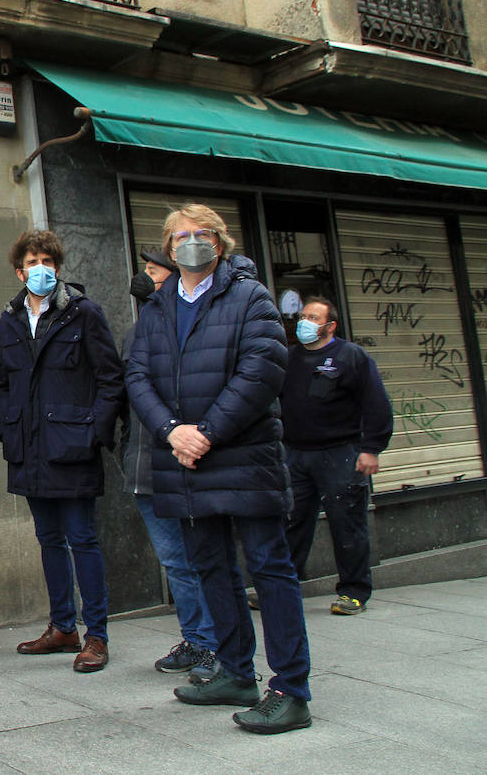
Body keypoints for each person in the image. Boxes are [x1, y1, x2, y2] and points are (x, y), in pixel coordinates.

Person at [125, 203, 312, 735]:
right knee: (211, 568)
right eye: (180, 235)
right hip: (184, 460)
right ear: (168, 247)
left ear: (220, 241)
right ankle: (235, 672)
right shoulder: (157, 307)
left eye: (201, 233)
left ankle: (291, 690)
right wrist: (171, 432)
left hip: (243, 456)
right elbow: (137, 375)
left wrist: (205, 433)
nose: (191, 242)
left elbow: (262, 369)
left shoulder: (250, 296)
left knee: (269, 569)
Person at [0, 230, 123, 673]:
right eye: (32, 262)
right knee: (48, 539)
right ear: (20, 271)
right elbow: (2, 383)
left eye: (47, 261)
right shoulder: (10, 318)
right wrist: (8, 430)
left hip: (73, 446)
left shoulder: (83, 313)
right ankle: (63, 627)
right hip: (28, 448)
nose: (41, 269)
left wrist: (93, 434)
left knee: (82, 539)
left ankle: (96, 636)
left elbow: (110, 378)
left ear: (58, 267)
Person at [120, 250, 217, 677]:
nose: (144, 277)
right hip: (144, 467)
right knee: (175, 562)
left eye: (153, 271)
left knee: (203, 560)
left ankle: (217, 645)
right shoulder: (136, 332)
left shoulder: (196, 328)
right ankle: (196, 640)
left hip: (187, 462)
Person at [281, 297, 393, 616]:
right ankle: (282, 590)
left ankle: (353, 592)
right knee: (290, 523)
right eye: (303, 316)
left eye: (313, 318)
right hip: (295, 454)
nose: (304, 322)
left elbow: (376, 404)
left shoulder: (351, 356)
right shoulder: (289, 358)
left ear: (330, 326)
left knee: (347, 524)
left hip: (340, 454)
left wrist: (371, 449)